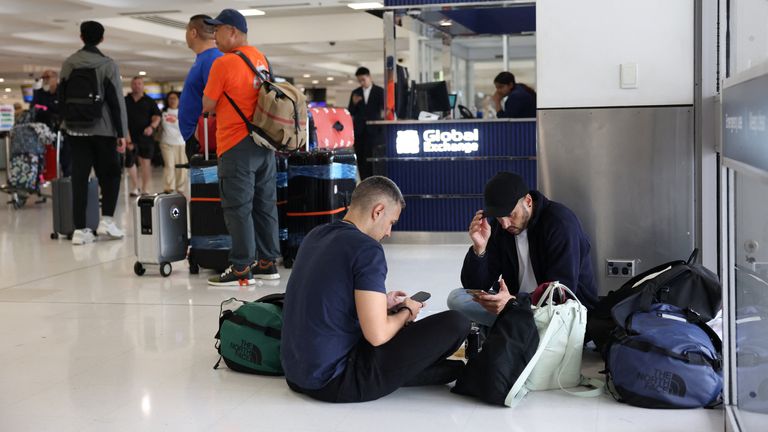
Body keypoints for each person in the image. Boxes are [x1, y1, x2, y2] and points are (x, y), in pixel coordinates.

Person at [281, 176, 470, 403]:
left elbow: (328, 296)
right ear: (378, 211)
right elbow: (377, 335)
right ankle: (454, 370)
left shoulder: (316, 235)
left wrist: (384, 302)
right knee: (456, 323)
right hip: (335, 380)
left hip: (296, 373)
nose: (389, 232)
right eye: (391, 222)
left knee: (404, 332)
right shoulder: (367, 248)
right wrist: (407, 312)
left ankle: (448, 369)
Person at [447, 171, 598, 327]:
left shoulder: (560, 224)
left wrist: (513, 303)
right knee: (456, 297)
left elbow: (561, 293)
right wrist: (480, 249)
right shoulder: (500, 228)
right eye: (499, 217)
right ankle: (512, 328)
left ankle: (509, 328)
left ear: (528, 201)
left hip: (558, 312)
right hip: (517, 306)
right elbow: (475, 286)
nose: (505, 224)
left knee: (505, 316)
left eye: (511, 215)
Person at [202, 9, 281, 285]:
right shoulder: (261, 59)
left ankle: (240, 267)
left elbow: (207, 105)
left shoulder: (223, 64)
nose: (214, 36)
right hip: (263, 143)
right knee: (264, 204)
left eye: (217, 30)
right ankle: (268, 263)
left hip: (236, 145)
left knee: (238, 207)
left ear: (232, 31)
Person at [59, 21, 128, 245]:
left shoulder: (69, 63)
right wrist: (122, 133)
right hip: (103, 129)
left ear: (81, 37)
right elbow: (116, 101)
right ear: (102, 39)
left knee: (79, 178)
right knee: (110, 174)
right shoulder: (108, 65)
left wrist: (64, 124)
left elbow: (61, 97)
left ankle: (80, 230)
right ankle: (106, 220)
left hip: (75, 129)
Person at [180, 14, 223, 160]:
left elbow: (217, 100)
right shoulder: (203, 58)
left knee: (206, 183)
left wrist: (200, 133)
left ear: (193, 33)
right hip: (197, 137)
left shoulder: (212, 59)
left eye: (186, 31)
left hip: (202, 140)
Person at [124, 76, 160, 196]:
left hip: (145, 137)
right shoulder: (125, 101)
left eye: (139, 84)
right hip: (129, 136)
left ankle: (145, 188)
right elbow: (121, 119)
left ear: (143, 85)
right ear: (131, 85)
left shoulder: (149, 101)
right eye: (134, 84)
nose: (137, 86)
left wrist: (152, 127)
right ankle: (135, 187)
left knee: (145, 162)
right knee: (130, 162)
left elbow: (157, 116)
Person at [348, 66, 384, 180]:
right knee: (361, 159)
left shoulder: (379, 91)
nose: (362, 83)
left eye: (363, 79)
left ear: (369, 77)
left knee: (374, 158)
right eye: (359, 81)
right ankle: (364, 182)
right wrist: (354, 103)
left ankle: (375, 181)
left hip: (375, 131)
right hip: (360, 132)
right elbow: (351, 112)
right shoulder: (356, 92)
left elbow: (384, 109)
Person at [32, 70, 70, 176]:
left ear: (55, 78)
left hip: (61, 131)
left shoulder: (63, 93)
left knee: (66, 158)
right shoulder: (39, 94)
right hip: (43, 131)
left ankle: (67, 181)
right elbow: (34, 109)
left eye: (47, 78)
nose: (45, 80)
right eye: (43, 78)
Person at [158, 91, 187, 195]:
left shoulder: (183, 112)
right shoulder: (163, 113)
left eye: (175, 98)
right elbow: (159, 127)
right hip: (166, 143)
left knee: (181, 167)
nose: (172, 100)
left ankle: (181, 188)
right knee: (169, 165)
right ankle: (169, 187)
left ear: (179, 100)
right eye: (170, 98)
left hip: (181, 143)